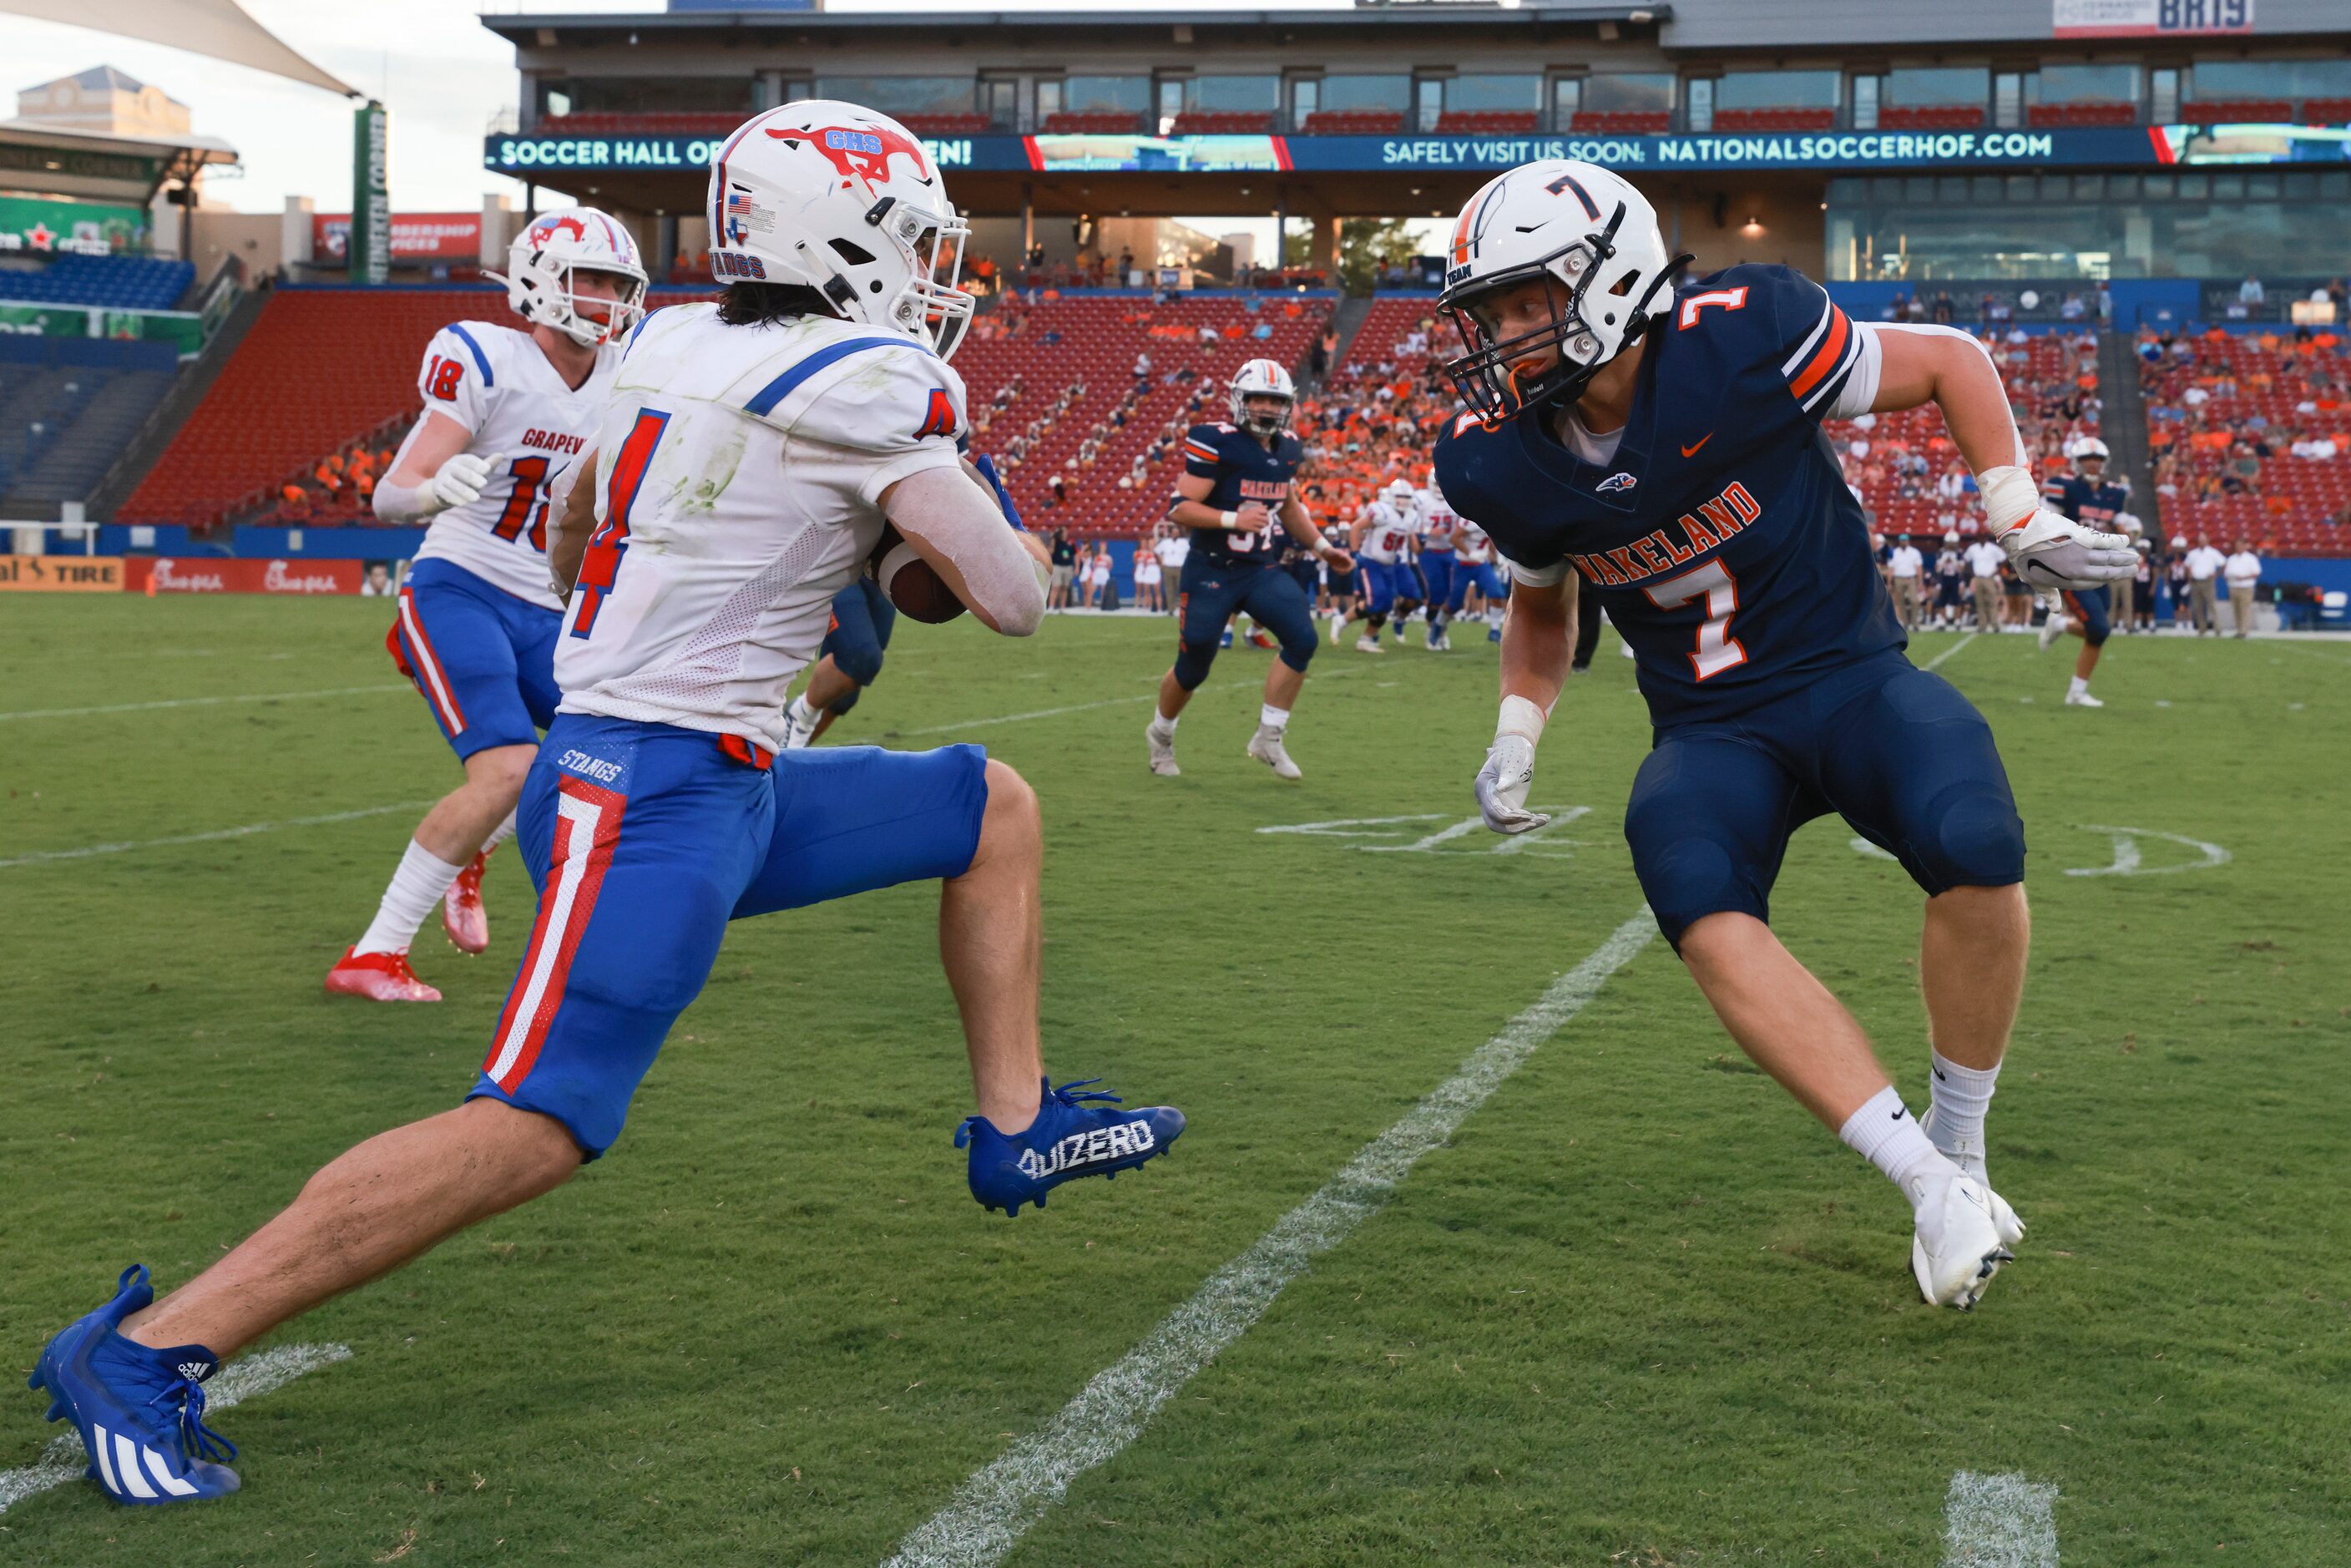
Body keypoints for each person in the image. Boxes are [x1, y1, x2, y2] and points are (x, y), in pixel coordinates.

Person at [28, 101, 1184, 1508]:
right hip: (641, 796)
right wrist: (927, 508)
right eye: (914, 240)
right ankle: (148, 1347)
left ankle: (1013, 1126)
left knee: (983, 803)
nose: (936, 273)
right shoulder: (873, 378)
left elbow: (576, 523)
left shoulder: (673, 340)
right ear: (845, 238)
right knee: (540, 1117)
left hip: (707, 775)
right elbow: (1011, 600)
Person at [1433, 159, 2129, 1310]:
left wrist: (2017, 511)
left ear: (1608, 280)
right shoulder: (1496, 456)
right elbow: (1543, 606)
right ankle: (1926, 1185)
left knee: (1976, 836)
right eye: (1489, 313)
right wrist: (1519, 723)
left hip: (1850, 675)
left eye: (1522, 303)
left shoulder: (1745, 333)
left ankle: (1963, 1146)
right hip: (1712, 728)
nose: (1502, 336)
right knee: (1687, 877)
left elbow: (1952, 360)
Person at [329, 207, 648, 1003]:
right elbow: (389, 493)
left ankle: (473, 847)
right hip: (461, 588)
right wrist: (434, 489)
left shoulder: (626, 374)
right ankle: (374, 954)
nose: (608, 299)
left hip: (551, 606)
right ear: (541, 281)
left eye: (617, 283)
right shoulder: (487, 359)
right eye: (592, 279)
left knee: (629, 761)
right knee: (508, 771)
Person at [1145, 358, 1353, 779]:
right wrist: (1231, 519)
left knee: (1302, 638)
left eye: (1275, 401)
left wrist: (1321, 546)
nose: (1266, 408)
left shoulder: (1289, 448)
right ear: (1239, 400)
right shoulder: (1215, 441)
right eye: (1257, 398)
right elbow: (1179, 508)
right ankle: (1161, 735)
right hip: (1211, 568)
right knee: (1194, 665)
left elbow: (1288, 503)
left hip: (1259, 568)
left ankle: (1269, 737)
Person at [2036, 438, 2130, 706]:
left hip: (2100, 568)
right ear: (2077, 463)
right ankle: (2076, 691)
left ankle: (2077, 688)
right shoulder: (2063, 487)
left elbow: (2120, 524)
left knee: (2098, 632)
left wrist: (2130, 533)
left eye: (2097, 459)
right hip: (2072, 568)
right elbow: (2045, 522)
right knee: (2099, 627)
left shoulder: (2115, 493)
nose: (2093, 463)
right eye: (2087, 458)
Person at [1332, 478, 1421, 651]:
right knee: (1377, 600)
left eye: (1406, 497)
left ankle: (1366, 639)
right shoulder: (1383, 511)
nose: (1403, 500)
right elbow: (1356, 527)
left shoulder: (1411, 516)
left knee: (1386, 604)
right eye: (1399, 496)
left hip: (1390, 564)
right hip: (1371, 562)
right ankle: (1342, 621)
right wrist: (1355, 553)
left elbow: (1413, 544)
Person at [1416, 478, 1463, 650]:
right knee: (1436, 594)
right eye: (1436, 483)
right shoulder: (1420, 499)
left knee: (1452, 597)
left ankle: (1441, 629)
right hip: (1429, 552)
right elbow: (1410, 527)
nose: (1439, 487)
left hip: (1450, 551)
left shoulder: (1455, 497)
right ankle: (1432, 631)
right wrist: (1428, 532)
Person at [1964, 532, 2008, 632]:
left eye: (1983, 537)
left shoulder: (1992, 548)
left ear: (1987, 538)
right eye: (1980, 537)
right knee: (1979, 602)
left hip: (1989, 577)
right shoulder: (1973, 548)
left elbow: (2003, 559)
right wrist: (1972, 573)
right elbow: (1966, 560)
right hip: (1978, 577)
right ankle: (1982, 625)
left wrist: (1997, 571)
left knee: (1992, 601)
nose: (1982, 539)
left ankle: (1995, 624)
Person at [2185, 535, 2227, 634]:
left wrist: (2216, 575)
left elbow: (2223, 563)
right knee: (2198, 606)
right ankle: (2202, 628)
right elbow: (2187, 565)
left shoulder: (2213, 552)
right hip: (2196, 581)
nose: (2202, 543)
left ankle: (2217, 628)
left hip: (2208, 581)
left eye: (2203, 541)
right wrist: (2190, 574)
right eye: (2200, 541)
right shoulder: (2193, 553)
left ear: (2207, 541)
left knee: (2212, 605)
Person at [1884, 532, 1924, 630]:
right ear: (1899, 541)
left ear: (1908, 541)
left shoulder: (1914, 552)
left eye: (1905, 540)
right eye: (1902, 540)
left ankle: (1915, 622)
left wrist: (1920, 582)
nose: (1904, 542)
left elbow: (1919, 568)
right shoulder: (1894, 552)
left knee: (1914, 600)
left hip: (1911, 578)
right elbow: (1891, 569)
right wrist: (1889, 583)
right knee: (1900, 601)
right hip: (1898, 579)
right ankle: (1905, 622)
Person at [2224, 536, 2263, 636]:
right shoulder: (2231, 559)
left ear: (2245, 546)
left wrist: (2244, 578)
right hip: (2234, 586)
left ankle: (2244, 630)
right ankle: (2239, 628)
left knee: (2245, 608)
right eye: (2237, 546)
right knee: (2236, 609)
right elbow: (2227, 572)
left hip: (2246, 587)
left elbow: (2256, 573)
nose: (2239, 547)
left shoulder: (2251, 558)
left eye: (2241, 545)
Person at [1931, 529, 1968, 630]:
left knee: (1957, 600)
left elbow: (1961, 570)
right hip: (1944, 578)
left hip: (1955, 578)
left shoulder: (1959, 553)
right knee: (1942, 600)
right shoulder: (1941, 552)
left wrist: (1954, 561)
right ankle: (1943, 620)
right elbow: (1938, 569)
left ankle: (1957, 620)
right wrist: (1943, 560)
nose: (1951, 545)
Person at [1047, 527, 1078, 608]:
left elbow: (1076, 554)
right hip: (1057, 566)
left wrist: (1077, 567)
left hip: (1068, 567)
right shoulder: (1056, 541)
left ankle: (1062, 607)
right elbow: (1052, 550)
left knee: (1064, 588)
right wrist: (1054, 535)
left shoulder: (1070, 543)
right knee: (1056, 586)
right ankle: (1051, 606)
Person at [1134, 531, 1164, 610]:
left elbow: (1161, 564)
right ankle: (1145, 607)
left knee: (1157, 591)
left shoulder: (1158, 554)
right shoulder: (1146, 554)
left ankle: (1159, 607)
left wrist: (1158, 567)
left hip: (1155, 572)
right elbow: (1143, 564)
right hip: (1148, 572)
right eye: (1150, 544)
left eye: (1152, 544)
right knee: (1146, 591)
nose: (1151, 546)